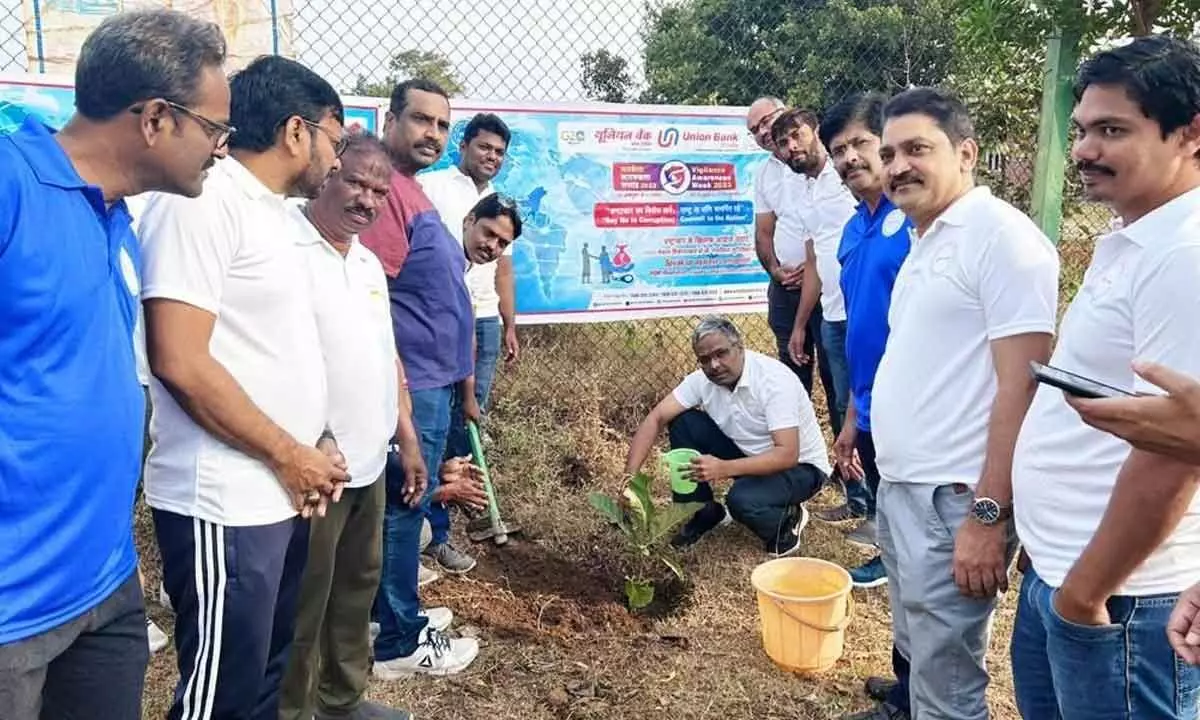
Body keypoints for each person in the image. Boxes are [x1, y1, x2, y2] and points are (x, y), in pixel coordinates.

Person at [0, 10, 229, 719]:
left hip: (103, 585)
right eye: (215, 130)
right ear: (157, 118)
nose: (221, 149)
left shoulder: (116, 220)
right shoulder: (12, 185)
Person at [139, 55, 351, 720]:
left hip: (281, 491)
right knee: (219, 696)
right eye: (335, 142)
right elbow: (179, 359)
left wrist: (316, 441)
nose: (339, 163)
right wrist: (290, 454)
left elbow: (270, 348)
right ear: (296, 131)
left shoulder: (277, 217)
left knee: (263, 678)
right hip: (224, 500)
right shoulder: (204, 204)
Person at [1010, 35, 1200, 719]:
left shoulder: (1185, 255)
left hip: (1125, 602)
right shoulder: (1135, 239)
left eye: (1113, 130)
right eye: (1083, 129)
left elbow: (1175, 453)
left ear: (1191, 135)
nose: (1085, 149)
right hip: (1070, 576)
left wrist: (1084, 594)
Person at [870, 87, 1059, 720]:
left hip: (953, 499)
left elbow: (1023, 385)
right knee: (921, 655)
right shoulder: (926, 238)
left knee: (949, 685)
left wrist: (986, 515)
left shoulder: (1003, 240)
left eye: (918, 149)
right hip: (904, 489)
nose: (898, 166)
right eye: (890, 152)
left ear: (967, 152)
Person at [278, 133, 440, 720]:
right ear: (327, 173)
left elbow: (384, 353)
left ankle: (341, 701)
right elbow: (272, 358)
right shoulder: (285, 247)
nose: (369, 201)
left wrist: (409, 436)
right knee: (304, 599)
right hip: (316, 467)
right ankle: (292, 711)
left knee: (355, 589)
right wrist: (309, 435)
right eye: (357, 183)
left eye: (380, 191)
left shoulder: (368, 260)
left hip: (370, 461)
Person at [359, 78, 480, 678]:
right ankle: (398, 643)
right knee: (405, 504)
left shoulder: (409, 189)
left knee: (402, 504)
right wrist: (403, 396)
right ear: (391, 119)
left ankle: (393, 610)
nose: (432, 133)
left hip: (435, 379)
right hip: (415, 380)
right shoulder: (383, 190)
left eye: (441, 125)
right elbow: (371, 298)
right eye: (421, 120)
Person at [817, 92, 913, 720]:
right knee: (901, 559)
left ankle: (921, 699)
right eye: (839, 151)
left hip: (917, 417)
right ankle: (908, 686)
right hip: (872, 408)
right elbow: (860, 334)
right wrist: (852, 416)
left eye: (858, 143)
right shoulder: (856, 226)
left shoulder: (914, 220)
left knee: (926, 570)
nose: (850, 158)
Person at [625, 316, 831, 555]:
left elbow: (787, 454)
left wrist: (724, 468)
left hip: (801, 468)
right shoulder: (702, 381)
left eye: (721, 353)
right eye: (705, 359)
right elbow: (656, 417)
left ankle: (787, 520)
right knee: (683, 422)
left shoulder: (773, 381)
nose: (714, 365)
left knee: (741, 499)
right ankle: (704, 512)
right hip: (749, 454)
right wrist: (629, 480)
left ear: (740, 347)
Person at [421, 112, 519, 567]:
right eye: (485, 148)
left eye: (499, 152)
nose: (491, 158)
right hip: (438, 319)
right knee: (435, 423)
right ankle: (429, 528)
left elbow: (503, 270)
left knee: (466, 422)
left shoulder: (498, 205)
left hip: (481, 322)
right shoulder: (434, 188)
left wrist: (509, 323)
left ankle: (451, 514)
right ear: (464, 145)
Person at [771, 108, 857, 444]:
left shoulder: (846, 175)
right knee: (841, 402)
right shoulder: (802, 190)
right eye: (782, 142)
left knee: (870, 404)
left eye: (797, 135)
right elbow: (815, 259)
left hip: (863, 311)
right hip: (832, 316)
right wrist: (800, 325)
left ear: (816, 131)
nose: (790, 146)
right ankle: (858, 496)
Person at [748, 97, 838, 413]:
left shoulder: (824, 162)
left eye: (765, 121)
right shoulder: (765, 173)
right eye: (754, 130)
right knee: (791, 378)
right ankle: (795, 453)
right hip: (787, 288)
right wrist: (775, 270)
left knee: (836, 376)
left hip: (830, 288)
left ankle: (845, 458)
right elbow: (763, 232)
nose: (762, 131)